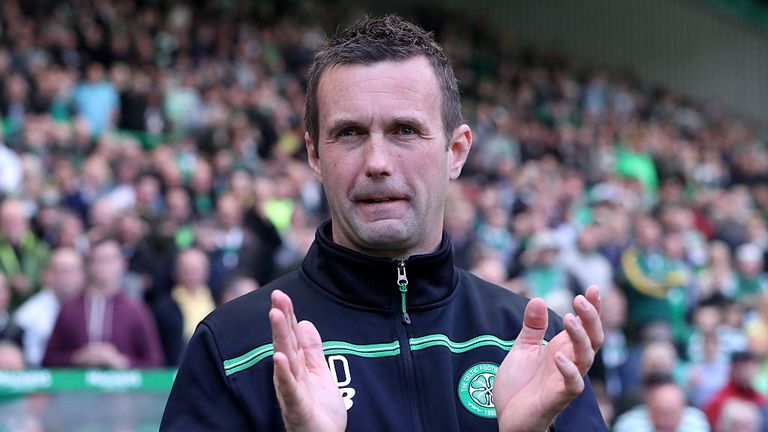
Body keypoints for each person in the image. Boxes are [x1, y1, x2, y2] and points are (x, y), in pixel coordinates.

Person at [162, 15, 605, 431]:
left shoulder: (530, 346)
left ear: (456, 152)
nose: (377, 162)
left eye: (405, 131)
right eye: (350, 133)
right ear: (315, 154)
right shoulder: (236, 349)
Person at [42, 238, 164, 368]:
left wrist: (121, 361)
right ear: (89, 265)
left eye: (109, 259)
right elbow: (49, 359)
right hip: (78, 386)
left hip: (123, 386)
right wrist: (78, 358)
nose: (104, 266)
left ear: (122, 264)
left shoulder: (136, 310)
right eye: (98, 260)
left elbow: (155, 362)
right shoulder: (69, 309)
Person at [13, 247, 86, 367]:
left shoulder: (94, 307)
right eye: (61, 271)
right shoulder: (28, 314)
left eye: (72, 270)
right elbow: (30, 360)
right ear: (48, 274)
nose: (66, 278)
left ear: (82, 275)